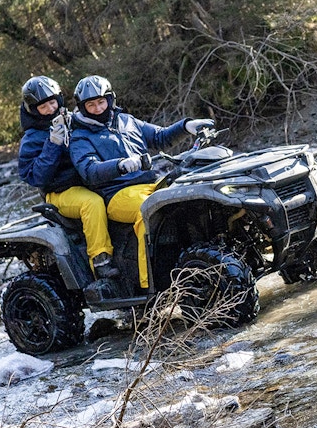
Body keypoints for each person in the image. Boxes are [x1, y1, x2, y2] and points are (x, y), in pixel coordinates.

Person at [69, 74, 214, 296]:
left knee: (189, 198)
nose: (98, 108)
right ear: (82, 107)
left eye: (101, 102)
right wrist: (121, 165)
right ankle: (150, 287)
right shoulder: (79, 137)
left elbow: (160, 137)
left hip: (151, 183)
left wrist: (187, 126)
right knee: (149, 211)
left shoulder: (127, 121)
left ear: (110, 99)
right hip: (117, 194)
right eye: (91, 104)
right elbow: (89, 171)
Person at [18, 75, 119, 283]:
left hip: (90, 181)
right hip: (60, 192)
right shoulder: (32, 139)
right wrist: (53, 143)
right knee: (92, 203)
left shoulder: (75, 121)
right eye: (43, 107)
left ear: (60, 100)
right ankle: (101, 261)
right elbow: (36, 176)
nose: (50, 109)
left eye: (52, 102)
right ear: (32, 109)